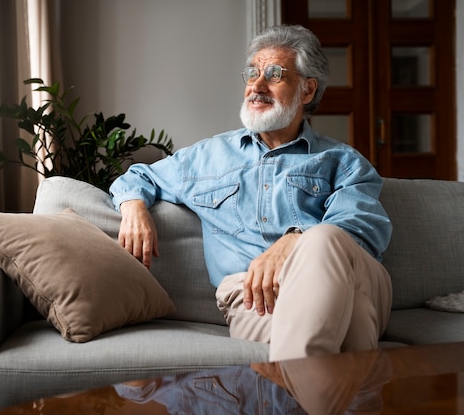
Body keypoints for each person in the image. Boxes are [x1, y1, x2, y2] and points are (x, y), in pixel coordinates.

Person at [109, 24, 392, 362]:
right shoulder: (208, 157)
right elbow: (139, 175)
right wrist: (134, 207)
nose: (257, 86)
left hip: (351, 277)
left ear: (306, 90)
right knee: (347, 331)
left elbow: (362, 228)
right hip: (256, 299)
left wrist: (295, 241)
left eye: (274, 75)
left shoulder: (343, 162)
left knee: (324, 239)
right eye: (252, 73)